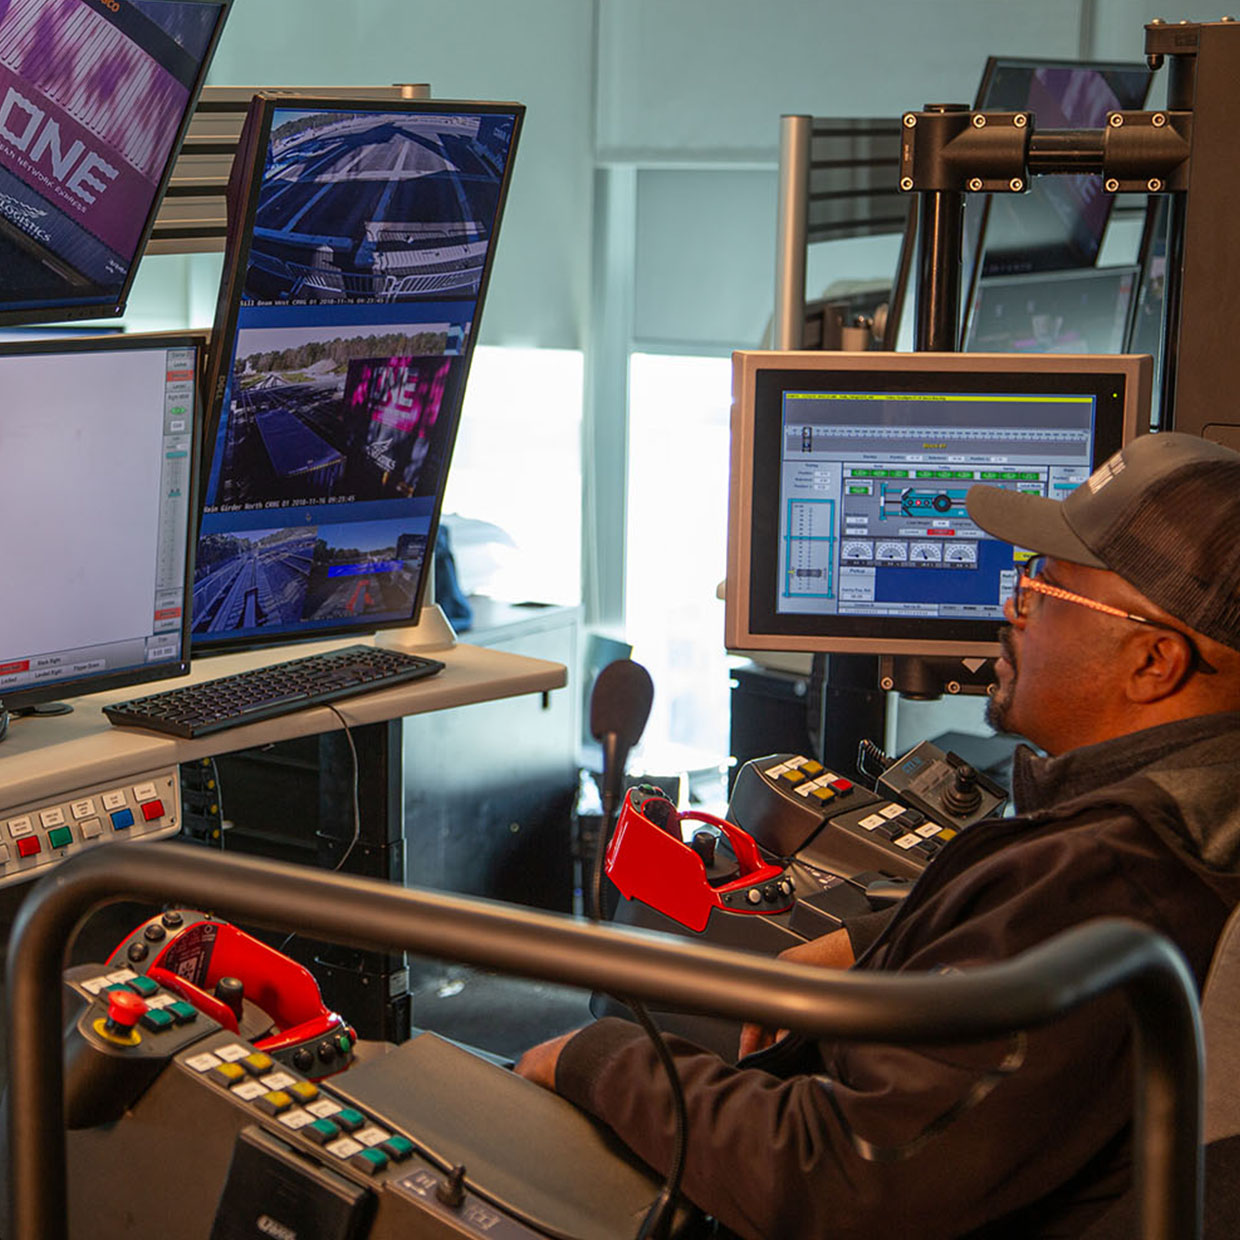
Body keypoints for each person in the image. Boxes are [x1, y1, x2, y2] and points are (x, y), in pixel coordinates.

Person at [515, 431, 1240, 1239]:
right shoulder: (1185, 820)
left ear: (1154, 661)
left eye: (1047, 589)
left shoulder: (1106, 883)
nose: (1013, 606)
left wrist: (599, 1058)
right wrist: (871, 942)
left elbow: (844, 1180)